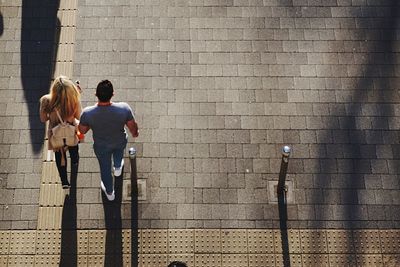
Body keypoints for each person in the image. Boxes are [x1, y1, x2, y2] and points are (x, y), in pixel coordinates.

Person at [78, 80, 139, 201]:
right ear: (113, 94)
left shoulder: (88, 113)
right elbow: (133, 128)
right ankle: (117, 168)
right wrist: (135, 133)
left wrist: (92, 124)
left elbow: (82, 131)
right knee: (118, 154)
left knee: (105, 168)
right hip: (119, 141)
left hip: (101, 146)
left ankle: (110, 192)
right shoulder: (124, 108)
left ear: (96, 94)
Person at [40, 75, 82, 189]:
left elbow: (43, 119)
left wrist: (53, 115)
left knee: (59, 155)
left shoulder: (46, 100)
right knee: (74, 148)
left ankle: (64, 181)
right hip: (71, 132)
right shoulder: (74, 100)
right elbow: (78, 117)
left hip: (56, 135)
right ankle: (75, 161)